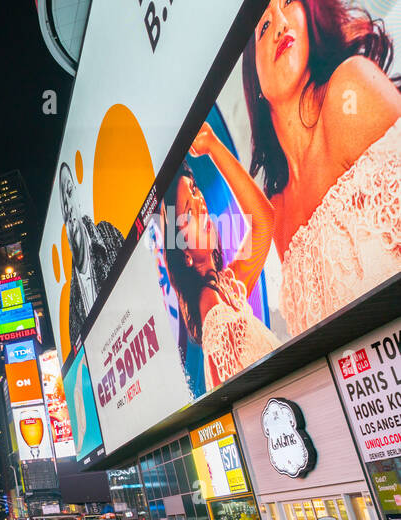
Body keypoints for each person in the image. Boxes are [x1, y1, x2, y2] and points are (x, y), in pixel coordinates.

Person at [242, 0, 401, 337]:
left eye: (288, 3)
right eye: (264, 26)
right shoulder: (278, 210)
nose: (281, 23)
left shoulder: (350, 89)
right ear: (253, 81)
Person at [161, 135, 279, 389]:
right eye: (188, 213)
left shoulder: (224, 288)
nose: (200, 204)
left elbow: (265, 221)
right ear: (185, 254)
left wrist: (212, 145)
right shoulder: (213, 309)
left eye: (194, 190)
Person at [58, 160, 125, 348]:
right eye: (63, 204)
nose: (68, 206)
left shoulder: (108, 235)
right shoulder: (72, 302)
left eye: (69, 192)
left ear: (77, 198)